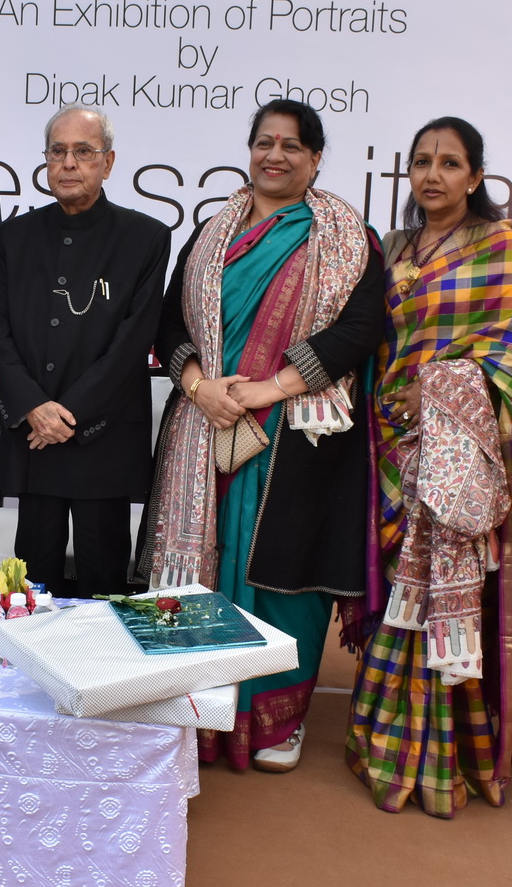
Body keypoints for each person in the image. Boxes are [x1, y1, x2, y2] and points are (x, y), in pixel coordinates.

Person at [137, 98, 382, 773]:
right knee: (199, 576)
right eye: (264, 142)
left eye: (292, 146)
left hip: (298, 435)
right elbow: (167, 325)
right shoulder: (212, 233)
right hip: (207, 425)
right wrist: (200, 389)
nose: (275, 155)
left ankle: (277, 720)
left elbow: (360, 330)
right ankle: (195, 713)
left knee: (282, 577)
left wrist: (273, 387)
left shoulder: (344, 236)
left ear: (315, 157)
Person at [342, 117, 512, 818]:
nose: (433, 175)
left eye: (449, 163)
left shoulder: (502, 247)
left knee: (460, 590)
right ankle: (387, 738)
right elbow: (370, 338)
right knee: (398, 604)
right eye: (421, 162)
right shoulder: (392, 247)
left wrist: (438, 390)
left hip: (466, 447)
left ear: (475, 176)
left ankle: (463, 749)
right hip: (392, 443)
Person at [0, 108, 170, 597]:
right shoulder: (14, 237)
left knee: (104, 587)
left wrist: (65, 415)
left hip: (101, 439)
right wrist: (33, 408)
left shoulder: (146, 237)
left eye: (83, 152)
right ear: (45, 161)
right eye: (58, 151)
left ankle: (103, 675)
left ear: (107, 163)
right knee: (34, 586)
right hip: (34, 437)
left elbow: (133, 340)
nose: (69, 163)